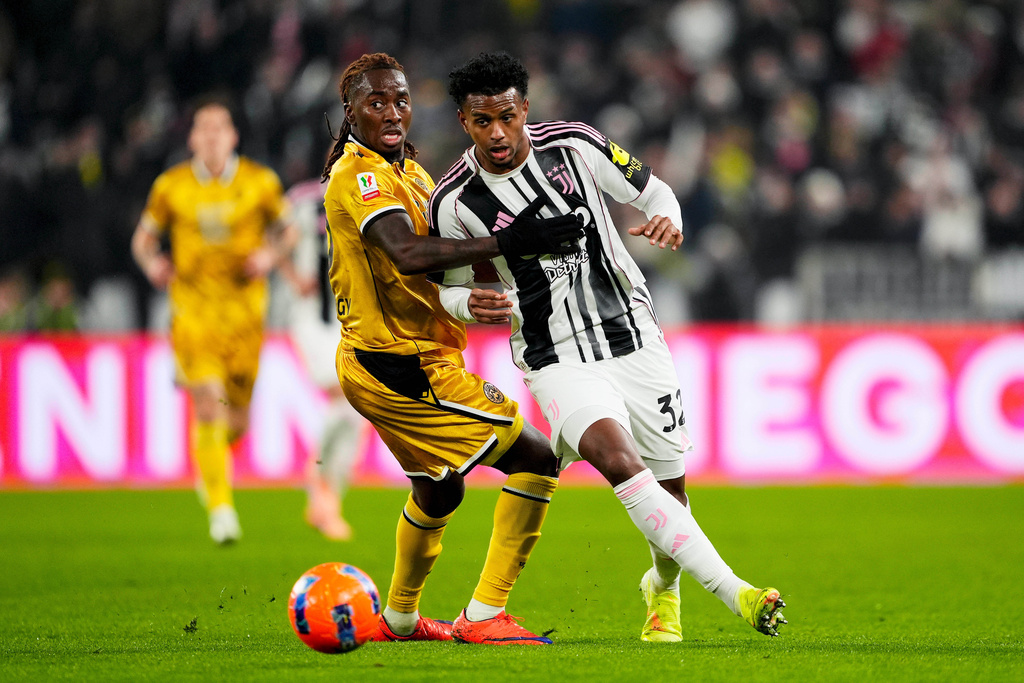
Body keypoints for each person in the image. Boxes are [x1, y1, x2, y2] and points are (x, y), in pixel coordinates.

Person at [431, 52, 787, 642]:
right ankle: (737, 592)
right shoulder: (452, 201)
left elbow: (656, 193)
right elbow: (450, 290)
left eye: (506, 117)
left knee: (671, 490)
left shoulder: (576, 145)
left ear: (525, 108)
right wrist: (472, 305)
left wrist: (668, 219)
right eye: (481, 121)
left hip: (634, 335)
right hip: (553, 354)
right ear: (463, 121)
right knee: (618, 460)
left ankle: (663, 588)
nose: (496, 133)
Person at [321, 52, 583, 646]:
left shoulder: (413, 175)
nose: (393, 112)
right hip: (397, 364)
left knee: (440, 488)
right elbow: (407, 253)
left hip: (404, 358)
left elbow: (443, 267)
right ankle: (485, 614)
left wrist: (480, 292)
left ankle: (398, 619)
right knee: (537, 457)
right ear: (352, 112)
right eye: (376, 102)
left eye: (401, 100)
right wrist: (513, 240)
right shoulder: (358, 176)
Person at [131, 101, 298, 545]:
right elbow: (143, 241)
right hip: (193, 312)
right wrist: (152, 264)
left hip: (245, 316)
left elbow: (289, 231)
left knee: (236, 422)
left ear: (233, 136)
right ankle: (222, 511)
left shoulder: (260, 182)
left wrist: (269, 256)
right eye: (203, 129)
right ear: (191, 138)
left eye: (219, 128)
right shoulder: (171, 186)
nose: (211, 136)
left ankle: (210, 465)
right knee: (207, 402)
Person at [282, 174, 366, 541]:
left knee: (357, 410)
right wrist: (292, 276)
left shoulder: (372, 195)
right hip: (312, 318)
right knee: (343, 393)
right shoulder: (303, 200)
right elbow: (274, 241)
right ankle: (317, 476)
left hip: (354, 319)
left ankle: (327, 498)